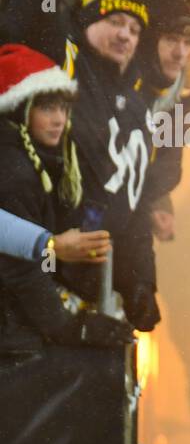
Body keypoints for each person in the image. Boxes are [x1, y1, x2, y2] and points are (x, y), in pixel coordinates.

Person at [1, 0, 163, 331]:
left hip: (90, 292)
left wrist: (141, 283)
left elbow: (136, 204)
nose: (126, 33)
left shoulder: (136, 111)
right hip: (30, 274)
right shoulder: (63, 60)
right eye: (114, 20)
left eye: (134, 29)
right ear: (85, 24)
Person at [0, 42, 135, 354]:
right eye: (47, 108)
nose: (59, 119)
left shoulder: (41, 162)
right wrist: (69, 326)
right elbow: (19, 267)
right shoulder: (15, 170)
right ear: (21, 109)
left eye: (63, 108)